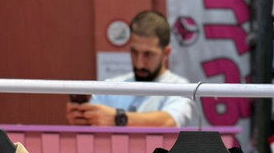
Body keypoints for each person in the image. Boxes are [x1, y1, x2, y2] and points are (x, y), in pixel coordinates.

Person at [66, 11, 197, 128]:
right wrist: (82, 119)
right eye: (134, 52)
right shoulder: (111, 86)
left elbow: (170, 122)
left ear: (166, 53)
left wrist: (118, 118)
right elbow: (93, 124)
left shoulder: (179, 87)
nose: (139, 63)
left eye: (148, 54)